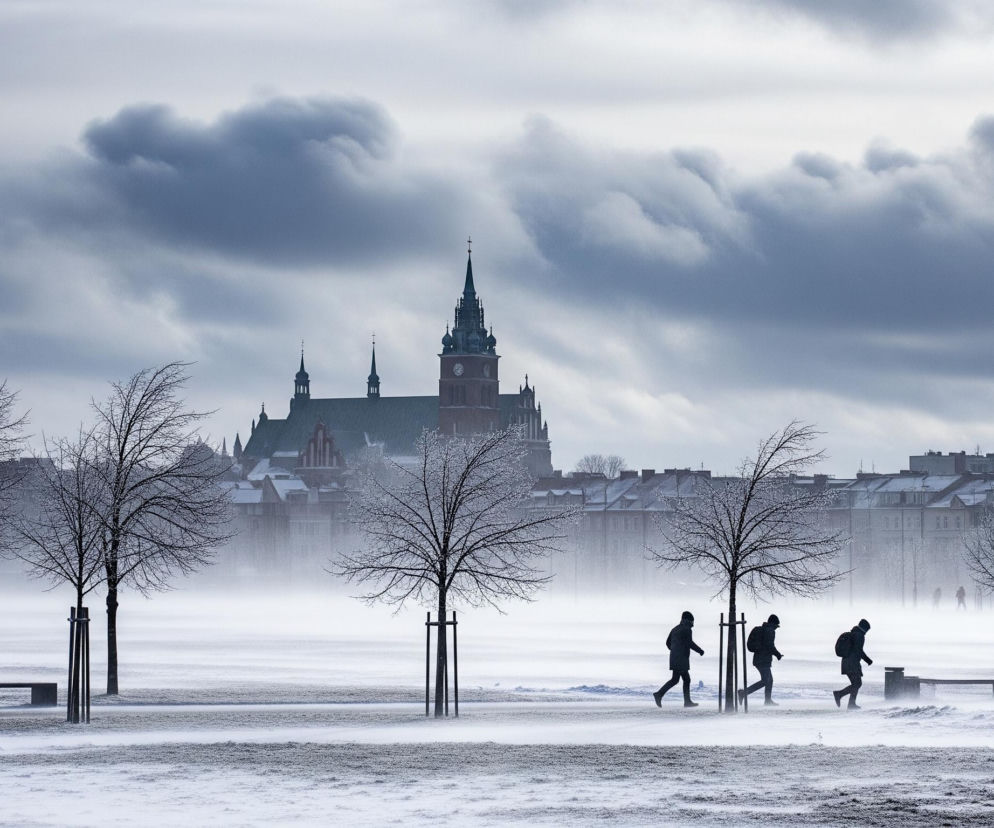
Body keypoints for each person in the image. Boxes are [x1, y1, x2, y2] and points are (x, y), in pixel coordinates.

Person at [653, 610, 705, 708]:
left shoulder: (675, 629)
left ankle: (659, 694)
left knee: (675, 679)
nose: (693, 623)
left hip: (674, 657)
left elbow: (668, 643)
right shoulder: (687, 629)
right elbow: (690, 643)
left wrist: (674, 650)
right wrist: (700, 651)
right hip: (682, 658)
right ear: (688, 620)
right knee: (686, 679)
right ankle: (686, 701)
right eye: (692, 621)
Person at [739, 614, 783, 706]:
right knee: (765, 681)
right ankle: (743, 693)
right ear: (773, 624)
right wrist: (778, 654)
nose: (776, 628)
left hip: (759, 659)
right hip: (763, 660)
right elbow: (770, 645)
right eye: (776, 626)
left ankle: (767, 700)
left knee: (769, 680)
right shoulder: (770, 631)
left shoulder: (763, 629)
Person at [833, 618, 872, 710]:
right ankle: (839, 694)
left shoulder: (854, 633)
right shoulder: (859, 635)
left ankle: (851, 703)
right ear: (865, 628)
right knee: (857, 683)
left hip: (847, 662)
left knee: (856, 683)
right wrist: (868, 660)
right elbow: (858, 650)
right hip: (852, 663)